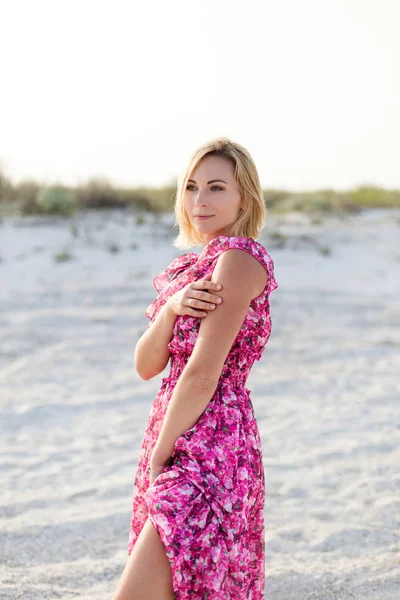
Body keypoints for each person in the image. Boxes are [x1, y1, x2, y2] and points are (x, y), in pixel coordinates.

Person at [112, 137, 278, 600]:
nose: (200, 200)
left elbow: (205, 372)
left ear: (244, 197)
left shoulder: (239, 260)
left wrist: (161, 455)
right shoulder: (189, 268)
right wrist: (171, 309)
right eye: (191, 187)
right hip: (176, 424)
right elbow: (145, 365)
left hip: (211, 444)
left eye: (216, 187)